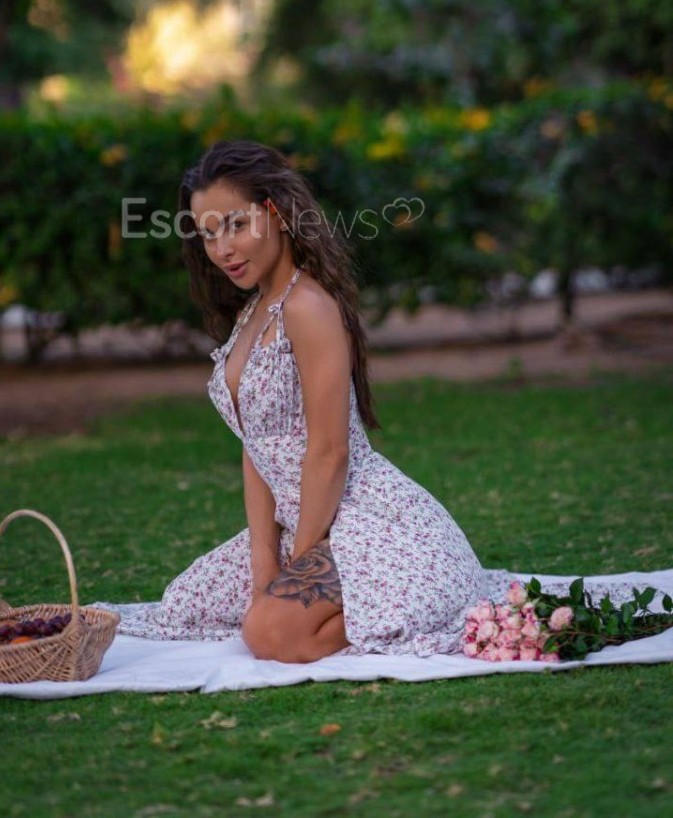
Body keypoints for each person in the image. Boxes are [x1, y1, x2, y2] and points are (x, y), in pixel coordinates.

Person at [97, 139, 514, 661]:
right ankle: (340, 603)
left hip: (363, 520)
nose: (222, 249)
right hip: (304, 522)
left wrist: (296, 562)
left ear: (275, 214)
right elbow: (256, 445)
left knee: (269, 633)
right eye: (208, 234)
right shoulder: (253, 313)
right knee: (187, 606)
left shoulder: (308, 307)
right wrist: (263, 563)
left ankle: (416, 599)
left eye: (236, 225)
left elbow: (330, 453)